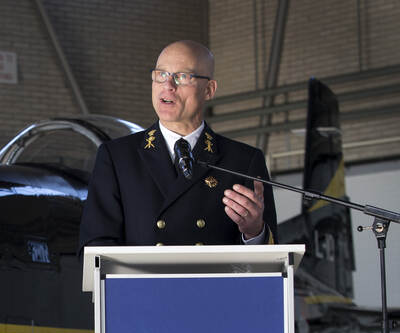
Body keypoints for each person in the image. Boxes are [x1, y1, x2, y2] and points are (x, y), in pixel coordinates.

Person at [79, 40, 278, 248]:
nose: (168, 85)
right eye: (161, 74)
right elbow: (95, 246)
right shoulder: (118, 157)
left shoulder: (243, 161)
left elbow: (273, 257)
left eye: (182, 77)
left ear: (209, 89)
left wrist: (254, 232)